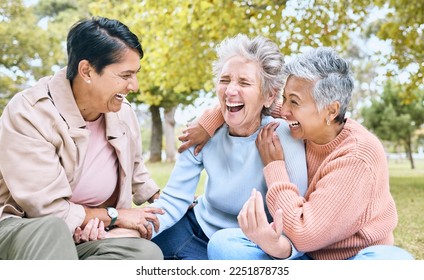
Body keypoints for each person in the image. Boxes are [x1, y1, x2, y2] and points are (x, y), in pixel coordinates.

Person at [180, 47, 414, 260]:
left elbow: (303, 233)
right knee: (225, 244)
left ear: (331, 110)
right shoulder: (306, 123)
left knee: (392, 262)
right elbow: (250, 104)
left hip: (349, 258)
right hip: (296, 255)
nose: (285, 110)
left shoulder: (356, 157)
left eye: (294, 102)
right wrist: (208, 123)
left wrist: (274, 166)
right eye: (284, 98)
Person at [0, 16, 165, 260]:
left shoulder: (122, 113)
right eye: (125, 75)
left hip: (88, 231)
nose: (135, 85)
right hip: (26, 230)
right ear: (86, 70)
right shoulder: (29, 113)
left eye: (135, 74)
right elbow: (47, 211)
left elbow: (136, 171)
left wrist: (168, 198)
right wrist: (113, 215)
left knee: (145, 254)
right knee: (53, 230)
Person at [147, 34, 308, 260]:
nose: (230, 91)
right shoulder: (202, 131)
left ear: (269, 95)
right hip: (198, 227)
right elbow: (174, 199)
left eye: (244, 82)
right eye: (225, 80)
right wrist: (134, 228)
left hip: (249, 245)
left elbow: (296, 220)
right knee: (139, 249)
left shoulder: (286, 136)